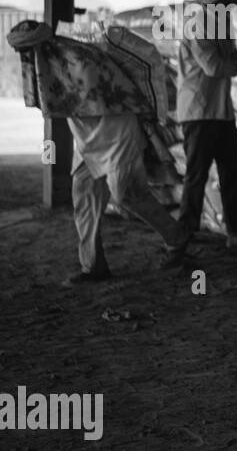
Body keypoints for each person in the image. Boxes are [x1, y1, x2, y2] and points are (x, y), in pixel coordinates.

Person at [6, 21, 189, 284]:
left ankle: (176, 239)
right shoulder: (49, 65)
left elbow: (101, 95)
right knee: (83, 194)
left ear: (39, 47)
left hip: (116, 132)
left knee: (127, 194)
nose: (25, 61)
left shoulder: (78, 57)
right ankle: (93, 266)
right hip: (88, 138)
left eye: (26, 53)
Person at [176, 0, 237, 251]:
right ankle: (182, 237)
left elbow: (229, 56)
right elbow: (213, 67)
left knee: (232, 173)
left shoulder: (220, 22)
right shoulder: (197, 22)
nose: (232, 6)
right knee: (196, 175)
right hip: (198, 112)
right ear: (218, 1)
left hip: (220, 111)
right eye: (229, 1)